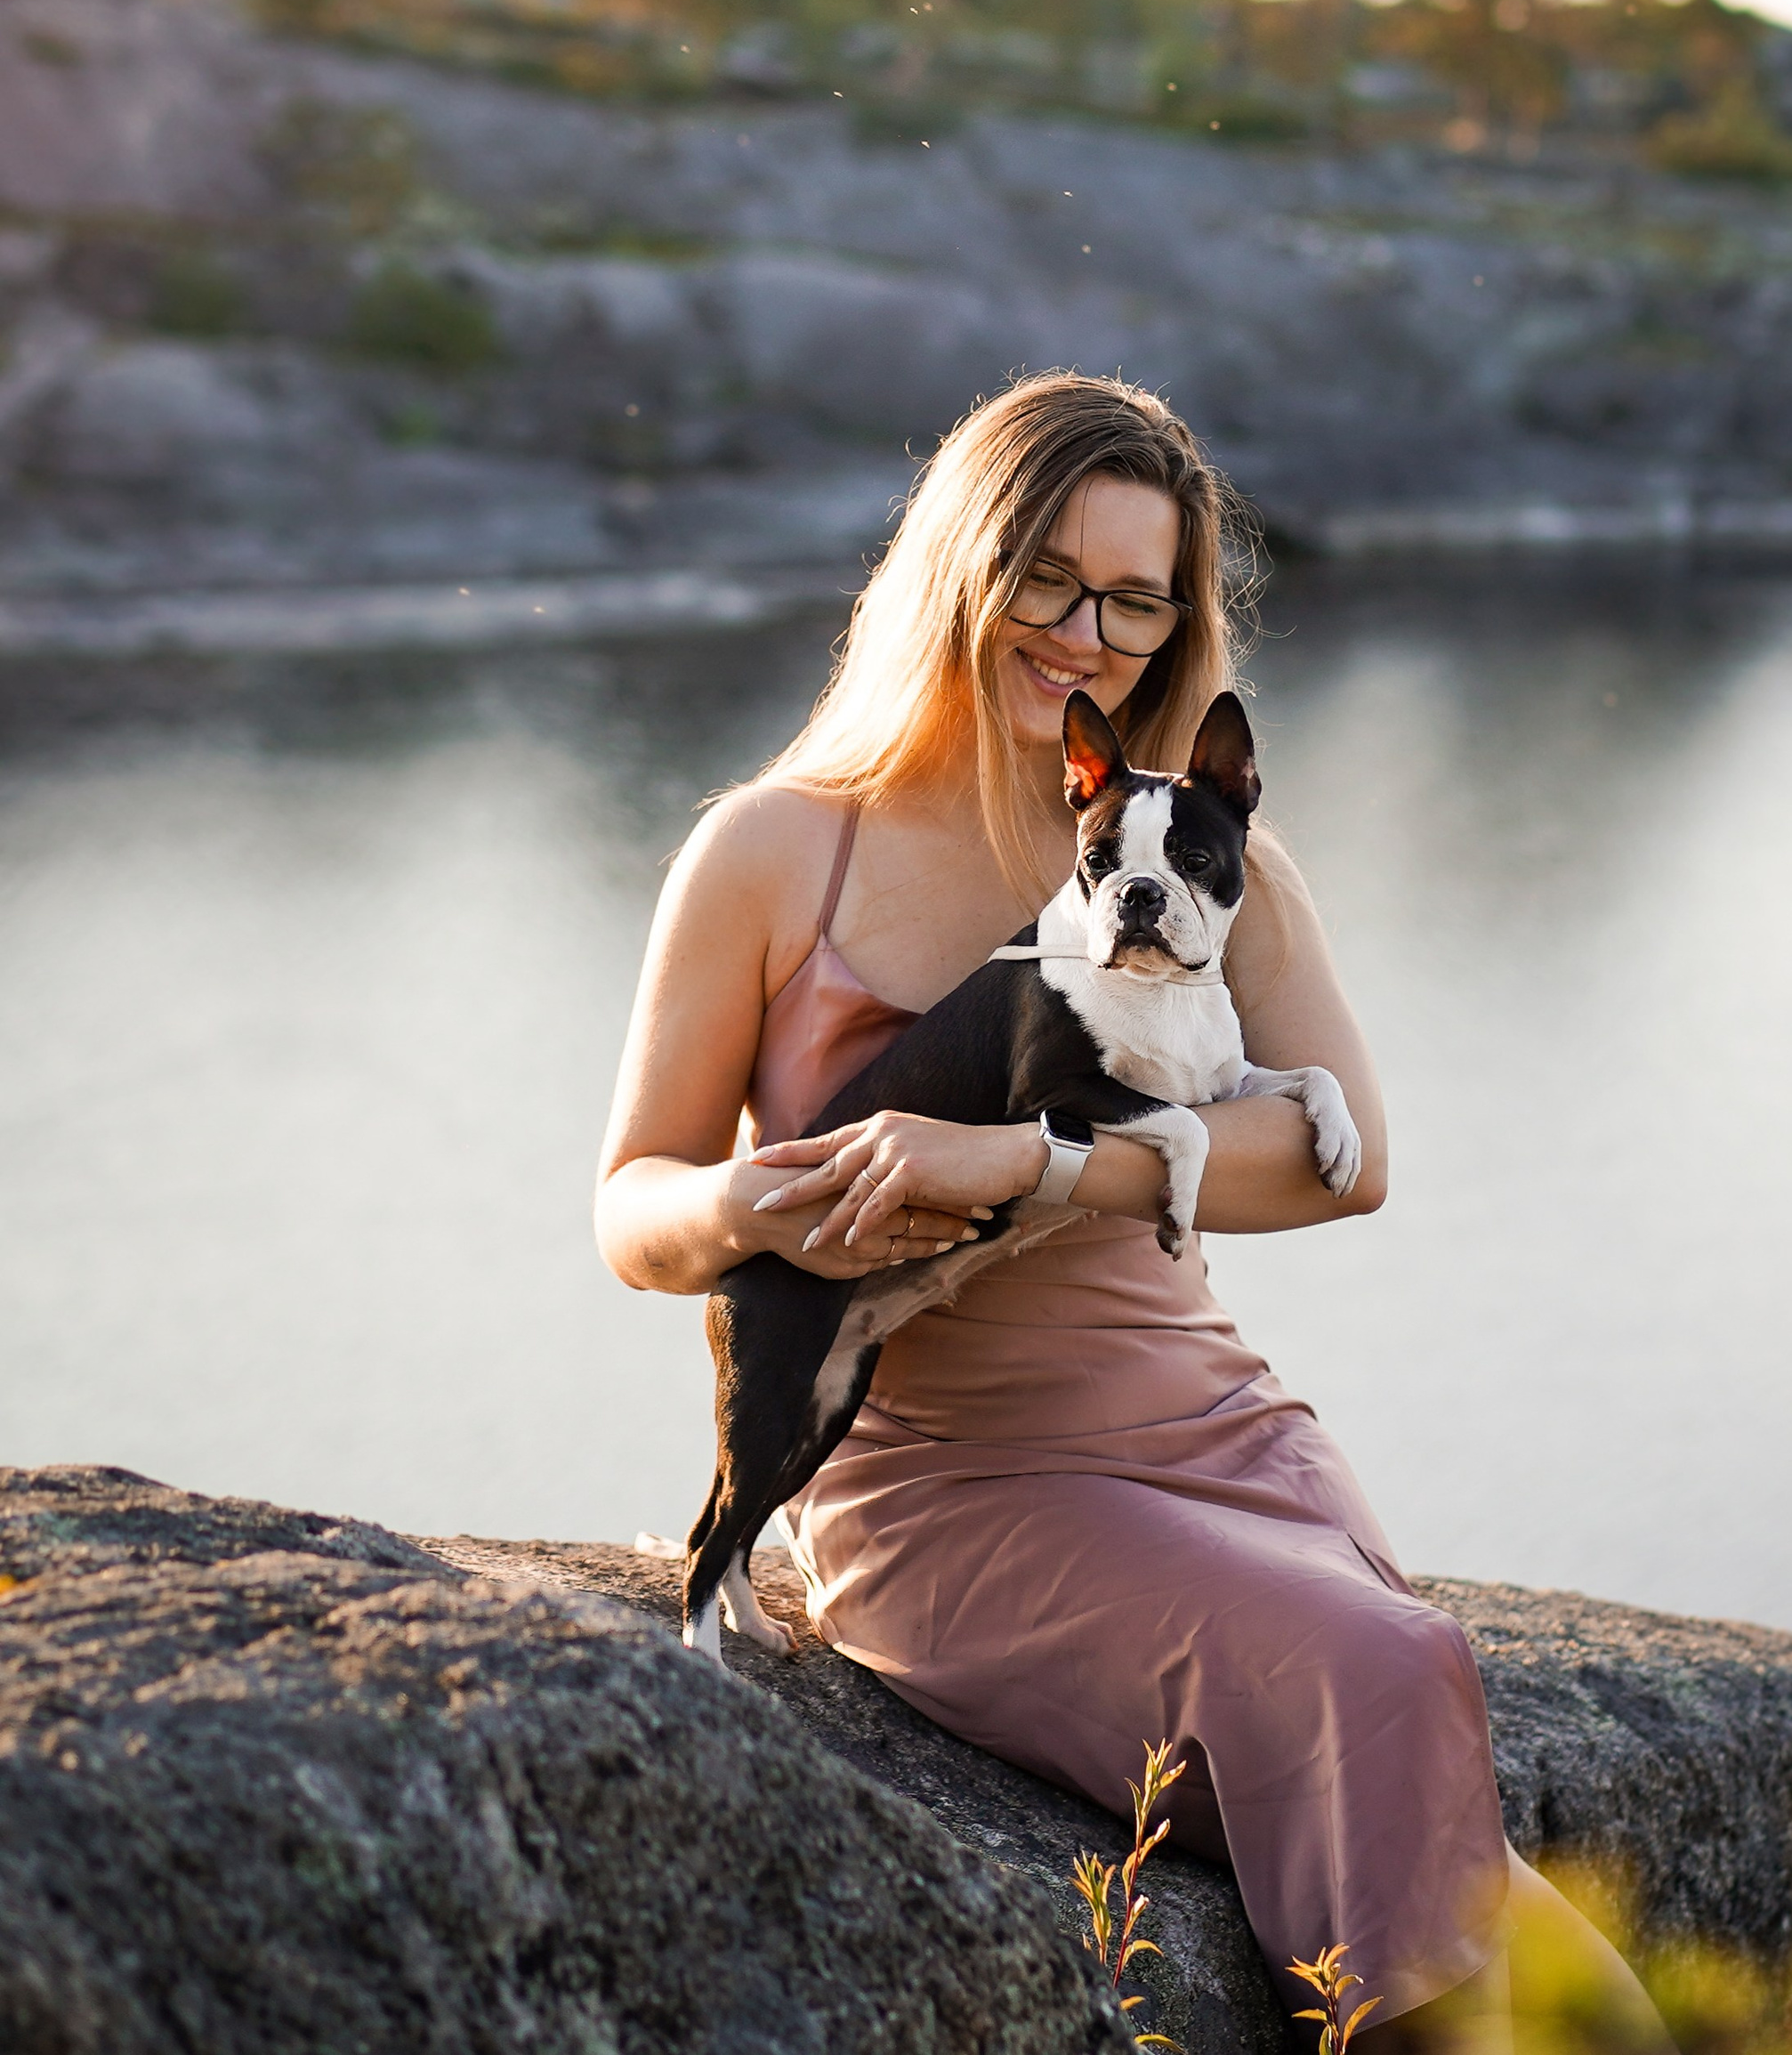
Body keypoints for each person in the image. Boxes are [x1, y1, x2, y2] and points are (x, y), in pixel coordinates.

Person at [596, 373, 1667, 2048]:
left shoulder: (1203, 848)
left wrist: (1033, 1167)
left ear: (1178, 625)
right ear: (966, 558)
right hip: (952, 1491)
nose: (1084, 632)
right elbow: (632, 1206)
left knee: (1417, 1742)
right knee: (1384, 1695)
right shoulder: (770, 852)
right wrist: (754, 1201)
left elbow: (1349, 1158)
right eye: (1050, 577)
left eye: (1137, 599)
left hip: (1222, 1435)